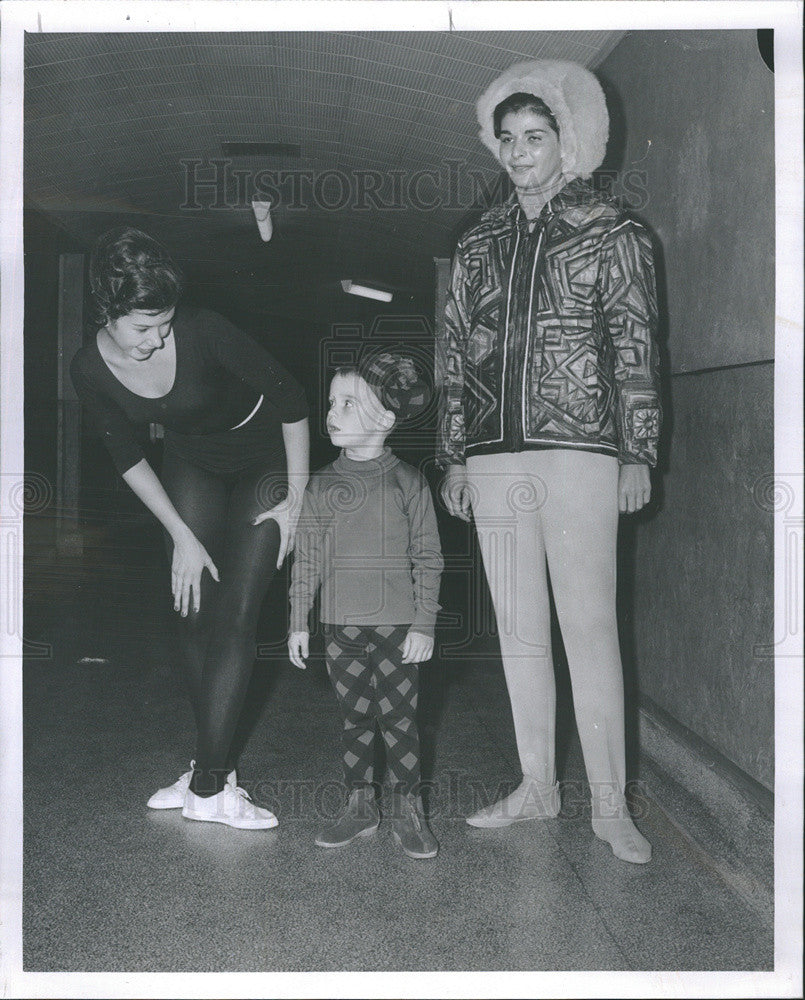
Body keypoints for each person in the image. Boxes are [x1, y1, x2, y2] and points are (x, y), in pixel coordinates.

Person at [436, 60, 661, 864]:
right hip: (494, 455)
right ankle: (537, 787)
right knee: (519, 631)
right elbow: (454, 354)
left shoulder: (612, 231)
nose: (519, 152)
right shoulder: (477, 244)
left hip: (581, 450)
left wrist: (637, 449)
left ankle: (608, 805)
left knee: (589, 626)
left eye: (535, 137)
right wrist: (455, 456)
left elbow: (635, 347)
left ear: (568, 142)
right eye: (507, 140)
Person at [70, 227, 310, 829]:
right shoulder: (88, 368)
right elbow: (126, 456)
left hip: (263, 456)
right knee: (193, 606)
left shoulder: (202, 328)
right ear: (107, 312)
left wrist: (300, 496)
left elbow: (292, 398)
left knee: (237, 611)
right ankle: (217, 771)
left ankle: (207, 784)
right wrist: (180, 533)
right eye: (142, 328)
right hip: (192, 460)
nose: (158, 338)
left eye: (164, 324)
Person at [288, 353, 443, 859]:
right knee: (354, 717)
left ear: (384, 418)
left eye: (348, 404)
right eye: (332, 402)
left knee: (399, 719)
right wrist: (298, 622)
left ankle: (406, 808)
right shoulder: (322, 484)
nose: (332, 413)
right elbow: (306, 557)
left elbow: (429, 558)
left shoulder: (409, 483)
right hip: (339, 628)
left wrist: (424, 623)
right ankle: (360, 804)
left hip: (398, 628)